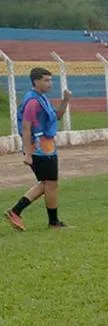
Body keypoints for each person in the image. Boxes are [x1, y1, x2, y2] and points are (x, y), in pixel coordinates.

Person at [5, 67, 72, 230]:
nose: (50, 83)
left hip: (47, 148)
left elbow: (57, 116)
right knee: (49, 183)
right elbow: (26, 128)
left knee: (48, 184)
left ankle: (23, 213)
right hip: (39, 149)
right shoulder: (33, 102)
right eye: (46, 80)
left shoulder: (42, 98)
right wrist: (28, 153)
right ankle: (21, 212)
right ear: (36, 81)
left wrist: (65, 100)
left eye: (51, 80)